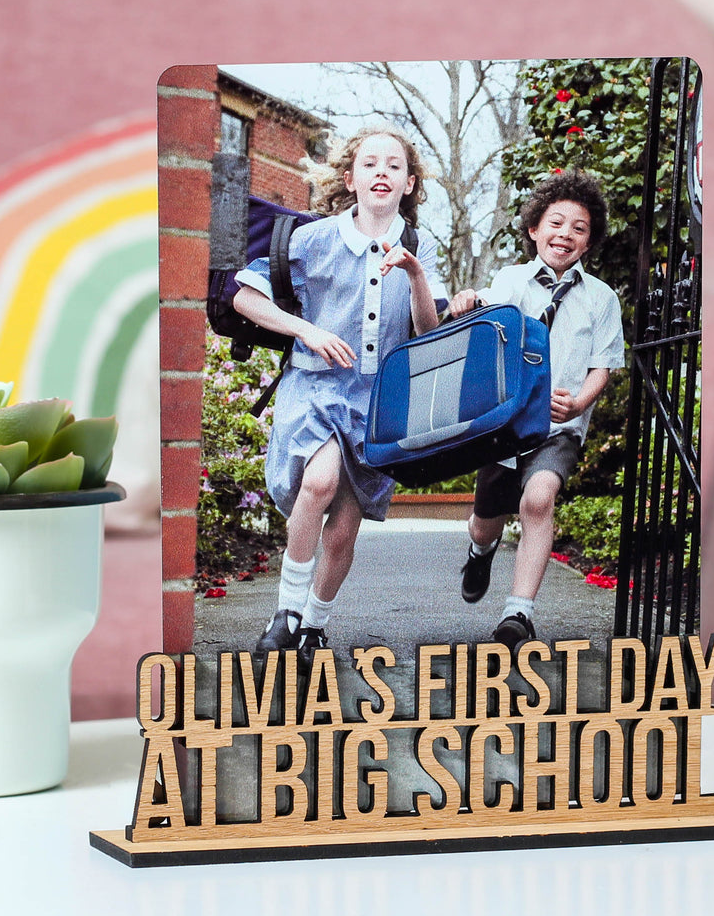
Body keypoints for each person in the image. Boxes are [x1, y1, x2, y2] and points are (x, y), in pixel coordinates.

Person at [232, 125, 444, 665]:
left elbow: (427, 329)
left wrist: (417, 273)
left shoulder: (418, 249)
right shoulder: (315, 239)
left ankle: (313, 627)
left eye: (393, 165)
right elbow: (244, 299)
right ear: (350, 179)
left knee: (346, 531)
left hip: (377, 404)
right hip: (316, 387)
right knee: (319, 479)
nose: (381, 172)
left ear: (409, 184)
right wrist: (308, 330)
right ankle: (285, 612)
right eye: (370, 163)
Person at [447, 170, 624, 650]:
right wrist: (467, 301)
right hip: (507, 422)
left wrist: (579, 403)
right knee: (488, 516)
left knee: (538, 499)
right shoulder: (512, 279)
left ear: (589, 242)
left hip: (557, 428)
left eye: (579, 227)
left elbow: (602, 366)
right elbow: (487, 315)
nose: (566, 234)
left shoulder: (601, 299)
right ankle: (479, 550)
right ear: (533, 229)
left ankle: (518, 613)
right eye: (556, 222)